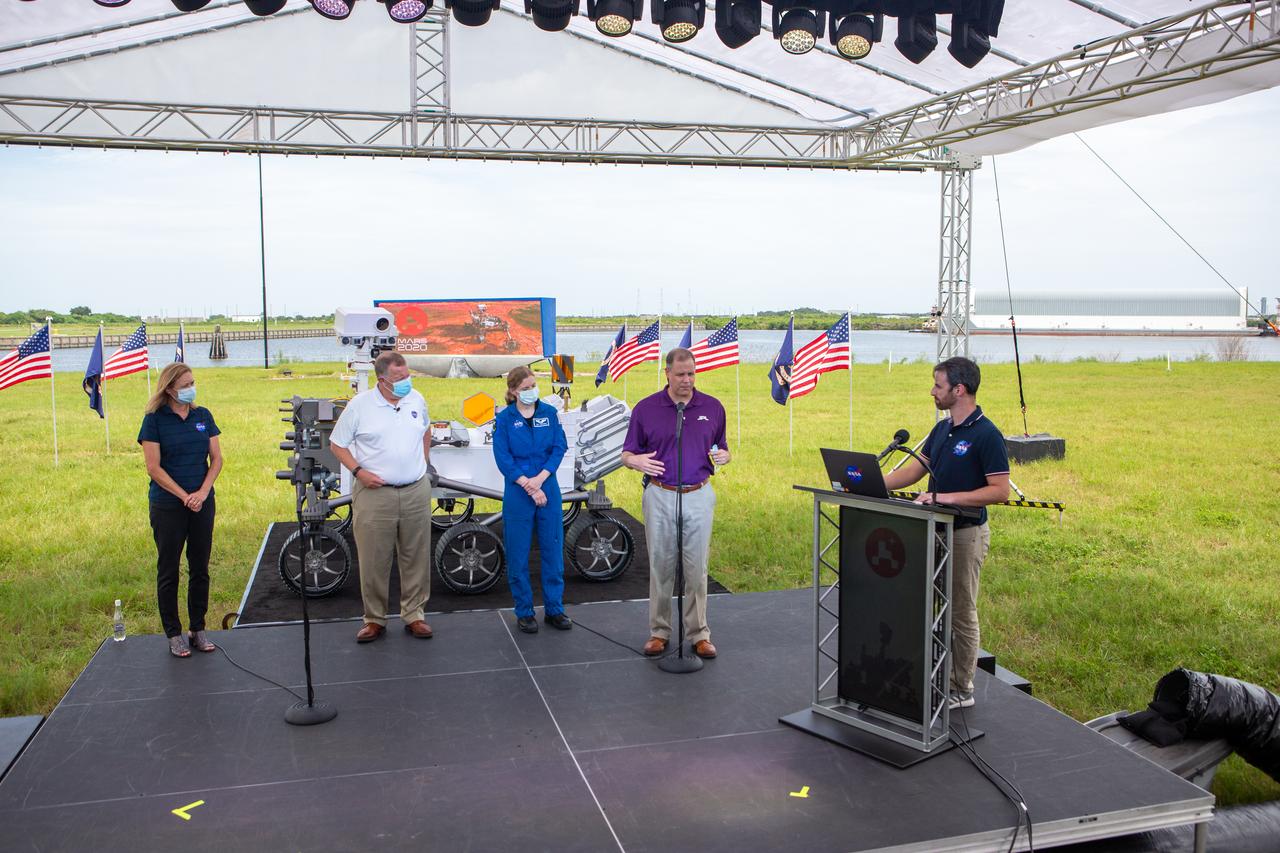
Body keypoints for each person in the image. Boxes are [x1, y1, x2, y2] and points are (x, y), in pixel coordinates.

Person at [883, 356, 1010, 709]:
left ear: (959, 389)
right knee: (926, 604)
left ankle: (960, 687)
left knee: (960, 611)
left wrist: (945, 497)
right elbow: (914, 471)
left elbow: (999, 491)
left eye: (938, 386)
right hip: (931, 529)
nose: (932, 392)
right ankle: (928, 670)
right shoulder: (941, 430)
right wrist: (869, 482)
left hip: (965, 533)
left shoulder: (987, 434)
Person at [621, 347, 730, 659]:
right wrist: (635, 461)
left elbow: (721, 447)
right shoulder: (646, 409)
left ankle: (699, 634)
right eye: (681, 374)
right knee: (661, 566)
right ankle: (659, 632)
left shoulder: (712, 407)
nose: (687, 380)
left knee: (697, 569)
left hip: (698, 494)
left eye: (692, 374)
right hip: (660, 494)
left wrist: (725, 456)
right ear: (666, 373)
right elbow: (627, 454)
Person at [330, 352, 435, 644]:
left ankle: (414, 614)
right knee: (374, 558)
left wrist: (423, 461)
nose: (406, 382)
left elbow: (426, 429)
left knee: (416, 556)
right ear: (382, 381)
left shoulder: (416, 399)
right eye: (399, 379)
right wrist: (359, 471)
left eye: (407, 376)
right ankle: (374, 619)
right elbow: (337, 444)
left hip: (415, 490)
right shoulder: (360, 406)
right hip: (376, 494)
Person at [138, 363, 223, 658]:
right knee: (169, 569)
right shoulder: (154, 420)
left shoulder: (203, 416)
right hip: (168, 505)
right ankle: (173, 633)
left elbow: (216, 459)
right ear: (170, 388)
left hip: (202, 502)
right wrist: (184, 496)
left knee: (200, 567)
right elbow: (153, 467)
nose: (190, 388)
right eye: (185, 384)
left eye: (193, 383)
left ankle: (197, 628)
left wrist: (201, 493)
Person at [492, 366, 572, 634]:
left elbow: (559, 447)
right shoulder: (504, 420)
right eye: (525, 388)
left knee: (552, 548)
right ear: (514, 391)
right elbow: (503, 458)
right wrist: (528, 484)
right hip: (518, 491)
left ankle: (554, 609)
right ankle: (524, 611)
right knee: (518, 552)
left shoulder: (549, 414)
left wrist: (541, 479)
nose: (531, 392)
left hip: (547, 486)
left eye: (533, 386)